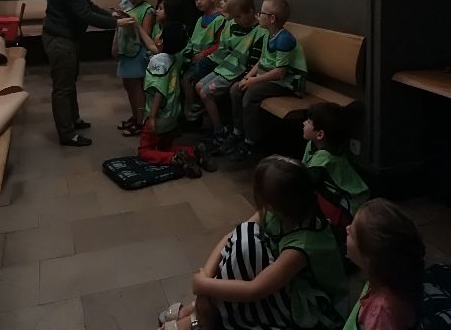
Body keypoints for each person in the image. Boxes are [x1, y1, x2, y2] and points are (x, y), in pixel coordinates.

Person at [159, 156, 347, 330]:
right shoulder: (281, 210)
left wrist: (205, 286)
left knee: (245, 252)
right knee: (244, 238)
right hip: (288, 285)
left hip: (311, 308)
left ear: (271, 204)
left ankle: (201, 316)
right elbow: (232, 236)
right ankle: (203, 309)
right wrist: (206, 277)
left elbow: (254, 290)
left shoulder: (304, 244)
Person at [42, 0, 133, 146]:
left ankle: (73, 120)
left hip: (70, 36)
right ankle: (67, 134)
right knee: (63, 86)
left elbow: (87, 4)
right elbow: (83, 13)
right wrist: (116, 24)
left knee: (70, 81)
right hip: (59, 37)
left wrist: (110, 14)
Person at [220, 0, 307, 161]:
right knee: (236, 89)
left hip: (288, 83)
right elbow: (262, 60)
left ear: (272, 18)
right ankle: (238, 131)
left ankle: (251, 142)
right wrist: (248, 77)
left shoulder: (284, 39)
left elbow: (280, 72)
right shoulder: (268, 34)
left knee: (250, 95)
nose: (258, 15)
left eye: (262, 13)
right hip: (270, 78)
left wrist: (254, 81)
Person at [136, 22, 216, 177]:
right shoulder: (177, 57)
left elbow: (159, 90)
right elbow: (161, 47)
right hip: (173, 116)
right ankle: (194, 152)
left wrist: (151, 117)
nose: (157, 34)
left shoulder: (157, 62)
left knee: (144, 151)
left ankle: (176, 158)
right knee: (164, 147)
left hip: (159, 116)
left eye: (160, 33)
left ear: (161, 41)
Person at [196, 0, 266, 152]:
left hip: (239, 73)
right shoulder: (232, 24)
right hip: (225, 68)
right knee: (199, 86)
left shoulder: (260, 31)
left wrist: (244, 78)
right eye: (234, 17)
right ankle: (221, 125)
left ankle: (219, 131)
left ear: (251, 12)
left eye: (238, 16)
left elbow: (255, 61)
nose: (235, 20)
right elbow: (224, 49)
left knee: (206, 93)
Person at [344, 198, 425, 330]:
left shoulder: (381, 313)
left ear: (368, 260)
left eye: (352, 233)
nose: (347, 228)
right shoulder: (386, 277)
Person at [302, 101, 369, 229]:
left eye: (309, 122)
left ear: (320, 134)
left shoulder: (325, 159)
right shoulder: (313, 144)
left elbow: (305, 181)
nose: (304, 123)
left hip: (351, 208)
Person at [113, 0, 155, 137]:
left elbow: (146, 35)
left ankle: (140, 121)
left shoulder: (147, 10)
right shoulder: (125, 4)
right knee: (128, 86)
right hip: (125, 50)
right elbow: (118, 28)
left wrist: (132, 24)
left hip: (138, 52)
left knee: (137, 88)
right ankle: (134, 116)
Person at [181, 0, 226, 121]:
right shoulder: (200, 19)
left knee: (188, 79)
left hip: (211, 60)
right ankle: (189, 111)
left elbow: (220, 44)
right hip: (195, 58)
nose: (198, 2)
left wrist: (203, 54)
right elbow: (193, 41)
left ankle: (194, 110)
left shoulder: (219, 19)